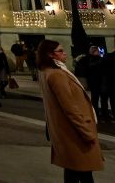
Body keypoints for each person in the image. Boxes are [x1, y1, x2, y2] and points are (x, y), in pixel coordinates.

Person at [37, 40, 104, 182]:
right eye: (60, 51)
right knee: (82, 171)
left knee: (76, 170)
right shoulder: (57, 75)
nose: (65, 53)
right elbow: (70, 108)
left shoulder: (45, 71)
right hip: (74, 133)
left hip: (66, 131)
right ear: (50, 54)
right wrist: (87, 132)